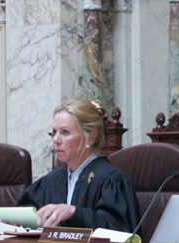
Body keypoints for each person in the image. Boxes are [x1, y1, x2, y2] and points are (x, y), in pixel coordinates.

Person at [16, 98, 140, 231]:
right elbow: (29, 210)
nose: (56, 140)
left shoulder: (111, 180)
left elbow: (119, 229)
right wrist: (15, 220)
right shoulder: (51, 181)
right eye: (54, 132)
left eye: (65, 132)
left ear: (90, 137)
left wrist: (74, 213)